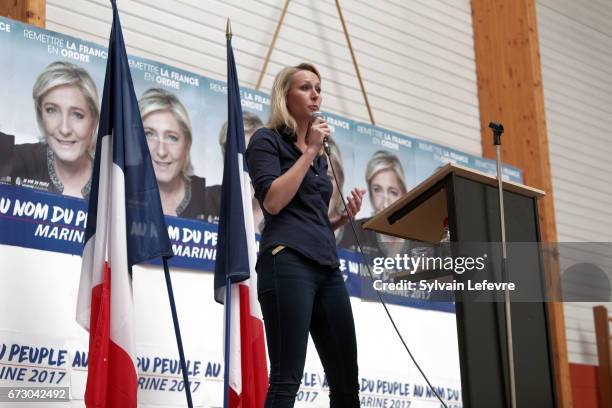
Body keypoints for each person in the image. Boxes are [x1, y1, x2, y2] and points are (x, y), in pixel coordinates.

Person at [245, 62, 365, 407]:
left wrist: (342, 218)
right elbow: (274, 201)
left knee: (346, 382)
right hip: (286, 261)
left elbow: (309, 218)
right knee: (286, 378)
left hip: (326, 267)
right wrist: (310, 149)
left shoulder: (318, 156)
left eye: (318, 87)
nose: (315, 94)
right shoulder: (267, 140)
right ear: (285, 96)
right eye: (305, 87)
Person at [2, 61, 99, 198]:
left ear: (93, 120)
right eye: (51, 110)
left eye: (77, 115)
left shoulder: (114, 182)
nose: (64, 129)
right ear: (40, 115)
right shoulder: (18, 160)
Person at [138, 88, 207, 219]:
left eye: (172, 137)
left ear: (187, 144)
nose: (161, 151)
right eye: (149, 134)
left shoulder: (208, 196)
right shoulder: (118, 190)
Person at [204, 112, 264, 228]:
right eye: (238, 155)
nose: (245, 163)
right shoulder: (207, 197)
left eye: (253, 153)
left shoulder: (276, 208)